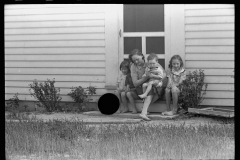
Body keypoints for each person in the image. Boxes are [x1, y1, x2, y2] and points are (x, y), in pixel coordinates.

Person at [126, 49, 168, 120]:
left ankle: (144, 110)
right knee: (150, 88)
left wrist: (157, 79)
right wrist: (147, 77)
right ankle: (144, 112)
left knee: (154, 89)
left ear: (142, 56)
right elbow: (135, 83)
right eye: (134, 61)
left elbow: (164, 74)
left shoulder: (150, 61)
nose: (136, 62)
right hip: (142, 87)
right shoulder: (133, 66)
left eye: (137, 59)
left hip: (155, 85)